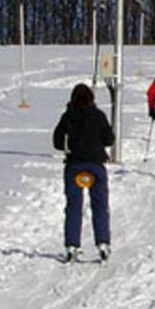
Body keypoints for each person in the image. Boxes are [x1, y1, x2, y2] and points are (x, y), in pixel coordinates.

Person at [52, 83, 114, 263]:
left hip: (74, 166)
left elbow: (56, 142)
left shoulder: (67, 116)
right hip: (95, 166)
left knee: (73, 206)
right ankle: (103, 244)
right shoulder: (99, 116)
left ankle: (72, 246)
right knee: (100, 206)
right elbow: (109, 139)